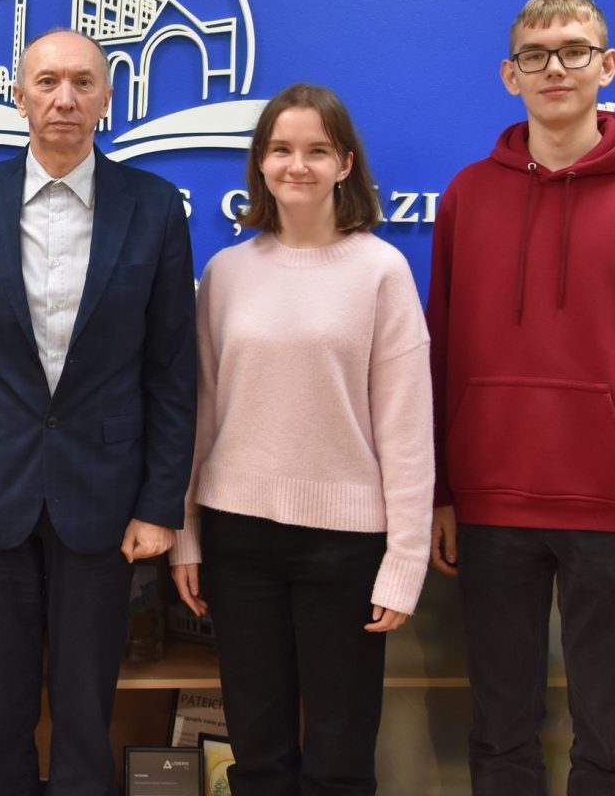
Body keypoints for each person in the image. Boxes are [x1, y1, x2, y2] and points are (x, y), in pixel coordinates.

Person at [427, 0, 615, 794]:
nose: (554, 68)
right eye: (535, 55)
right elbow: (439, 354)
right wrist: (442, 491)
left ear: (606, 65)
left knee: (612, 742)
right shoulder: (467, 195)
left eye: (574, 51)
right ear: (510, 75)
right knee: (499, 736)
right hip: (489, 509)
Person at [0, 28, 197, 796]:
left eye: (82, 82)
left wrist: (160, 505)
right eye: (46, 82)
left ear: (108, 98)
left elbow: (172, 372)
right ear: (19, 96)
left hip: (105, 495)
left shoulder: (155, 207)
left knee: (86, 709)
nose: (64, 98)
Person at [171, 83, 433, 795]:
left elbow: (407, 430)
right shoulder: (225, 274)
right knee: (258, 755)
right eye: (281, 149)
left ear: (345, 164)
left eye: (317, 150)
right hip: (238, 539)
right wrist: (187, 534)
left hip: (345, 547)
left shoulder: (381, 271)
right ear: (260, 162)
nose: (298, 165)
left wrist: (405, 561)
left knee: (340, 759)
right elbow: (201, 413)